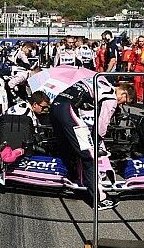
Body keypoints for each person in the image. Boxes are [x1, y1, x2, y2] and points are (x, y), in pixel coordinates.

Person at [49, 75, 135, 210]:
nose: (122, 104)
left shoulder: (101, 80)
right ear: (123, 93)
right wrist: (96, 141)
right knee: (90, 156)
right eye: (125, 101)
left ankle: (73, 178)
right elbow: (101, 125)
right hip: (68, 109)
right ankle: (99, 199)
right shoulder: (111, 97)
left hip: (55, 106)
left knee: (68, 148)